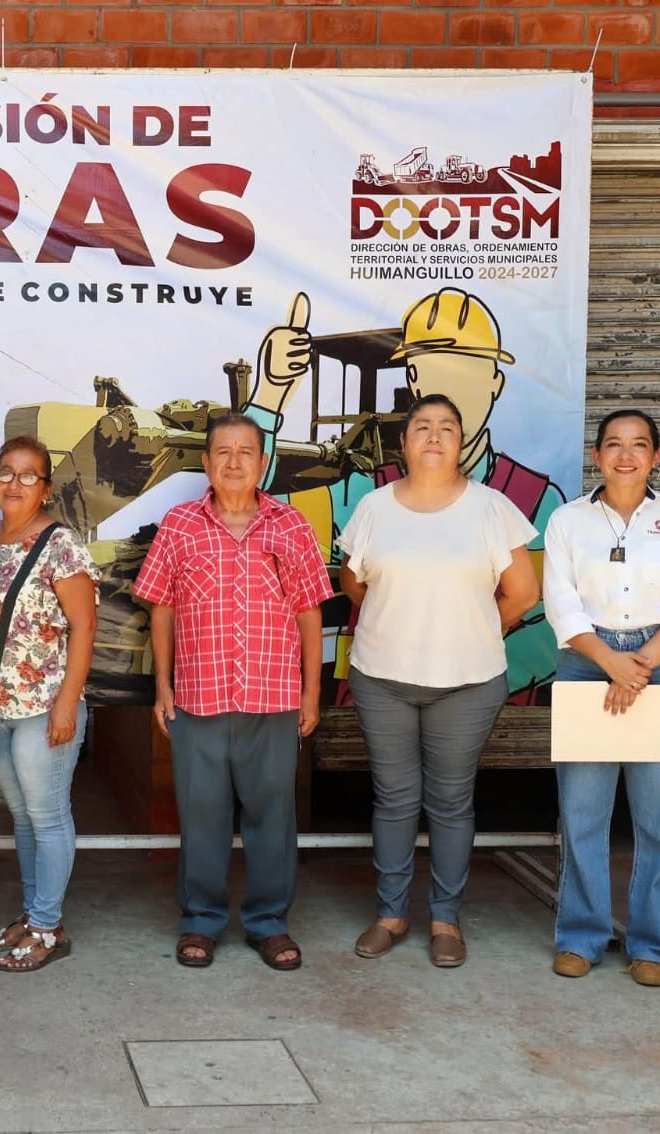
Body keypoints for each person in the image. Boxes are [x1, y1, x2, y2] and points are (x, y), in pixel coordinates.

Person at [244, 288, 564, 702]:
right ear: (413, 380)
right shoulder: (365, 494)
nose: (449, 389)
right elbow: (250, 510)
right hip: (385, 694)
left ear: (496, 383)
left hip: (479, 709)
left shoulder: (535, 501)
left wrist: (461, 662)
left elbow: (540, 624)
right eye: (433, 370)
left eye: (466, 370)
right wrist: (269, 396)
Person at [337, 393, 541, 968]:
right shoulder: (374, 508)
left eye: (446, 427)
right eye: (421, 426)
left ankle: (446, 919)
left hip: (469, 682)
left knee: (451, 802)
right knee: (395, 800)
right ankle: (390, 914)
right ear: (402, 443)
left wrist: (473, 626)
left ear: (461, 442)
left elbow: (524, 593)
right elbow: (355, 585)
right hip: (383, 678)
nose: (433, 435)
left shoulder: (491, 508)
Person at [132, 414, 331, 971]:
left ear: (263, 463)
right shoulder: (179, 525)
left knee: (273, 815)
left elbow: (310, 614)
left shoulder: (290, 526)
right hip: (198, 697)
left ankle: (269, 923)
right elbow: (161, 606)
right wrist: (163, 685)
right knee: (202, 815)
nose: (235, 461)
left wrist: (311, 695)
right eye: (223, 452)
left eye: (247, 452)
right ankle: (200, 921)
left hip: (273, 698)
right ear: (206, 463)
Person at [541, 409, 660, 987]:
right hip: (587, 663)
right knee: (584, 812)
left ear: (656, 457)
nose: (626, 455)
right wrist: (611, 662)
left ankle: (653, 946)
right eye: (613, 444)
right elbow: (561, 603)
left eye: (639, 445)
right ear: (597, 456)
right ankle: (581, 937)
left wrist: (639, 665)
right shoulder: (567, 520)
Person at [0, 437, 98, 972]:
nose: (14, 484)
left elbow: (85, 626)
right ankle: (34, 913)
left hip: (44, 706)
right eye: (5, 472)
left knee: (47, 816)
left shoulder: (61, 545)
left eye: (28, 475)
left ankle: (48, 927)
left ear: (46, 487)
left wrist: (68, 703)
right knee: (21, 817)